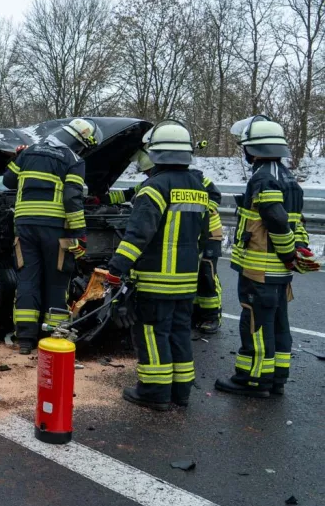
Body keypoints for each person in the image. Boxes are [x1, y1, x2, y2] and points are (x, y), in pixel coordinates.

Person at [105, 120, 210, 411]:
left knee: (152, 334)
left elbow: (138, 236)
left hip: (156, 279)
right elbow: (201, 234)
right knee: (179, 333)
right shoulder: (198, 187)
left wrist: (116, 268)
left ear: (155, 153)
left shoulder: (154, 188)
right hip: (186, 280)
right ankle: (180, 392)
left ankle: (154, 392)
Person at [215, 116, 319, 398]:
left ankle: (253, 380)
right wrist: (298, 249)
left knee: (255, 324)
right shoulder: (288, 178)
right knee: (279, 324)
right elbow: (296, 222)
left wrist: (287, 253)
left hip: (260, 270)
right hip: (279, 273)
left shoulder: (263, 178)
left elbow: (276, 219)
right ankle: (276, 379)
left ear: (253, 149)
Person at [94, 135, 225, 334]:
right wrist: (99, 199)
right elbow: (127, 194)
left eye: (149, 170)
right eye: (146, 172)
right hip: (182, 234)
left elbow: (214, 195)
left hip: (206, 233)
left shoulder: (196, 178)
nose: (148, 174)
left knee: (206, 274)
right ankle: (190, 313)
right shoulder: (155, 182)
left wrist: (199, 212)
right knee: (183, 277)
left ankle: (211, 316)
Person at [3, 118, 97, 355]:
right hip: (56, 230)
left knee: (27, 279)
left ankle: (25, 339)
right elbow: (72, 199)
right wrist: (80, 235)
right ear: (81, 143)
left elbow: (8, 180)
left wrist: (17, 157)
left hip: (24, 227)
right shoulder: (73, 160)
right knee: (57, 281)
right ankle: (52, 338)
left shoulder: (28, 152)